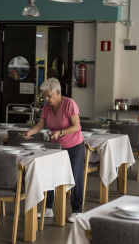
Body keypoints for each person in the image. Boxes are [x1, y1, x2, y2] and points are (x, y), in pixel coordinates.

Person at [23, 78, 84, 223]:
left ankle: (77, 210)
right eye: (45, 96)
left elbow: (76, 127)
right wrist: (30, 132)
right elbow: (40, 124)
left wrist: (60, 132)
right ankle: (48, 208)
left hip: (73, 145)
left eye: (49, 95)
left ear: (58, 92)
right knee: (49, 175)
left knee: (75, 176)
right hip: (55, 146)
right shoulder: (47, 106)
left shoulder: (69, 104)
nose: (46, 99)